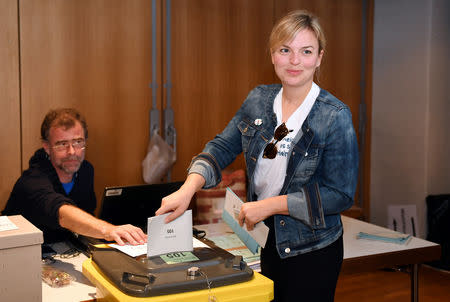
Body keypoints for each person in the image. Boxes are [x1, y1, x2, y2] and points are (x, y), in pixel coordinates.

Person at [156, 10, 358, 301]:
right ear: (273, 54)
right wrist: (187, 190)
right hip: (265, 237)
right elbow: (221, 147)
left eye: (306, 51)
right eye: (285, 50)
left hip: (312, 248)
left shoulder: (334, 116)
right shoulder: (258, 100)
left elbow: (340, 194)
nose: (295, 61)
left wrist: (271, 206)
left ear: (319, 58)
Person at [2, 108, 146, 246]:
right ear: (47, 147)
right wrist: (108, 230)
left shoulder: (86, 171)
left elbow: (85, 217)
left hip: (68, 251)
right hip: (20, 254)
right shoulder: (32, 180)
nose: (72, 152)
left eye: (78, 142)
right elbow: (61, 213)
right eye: (62, 144)